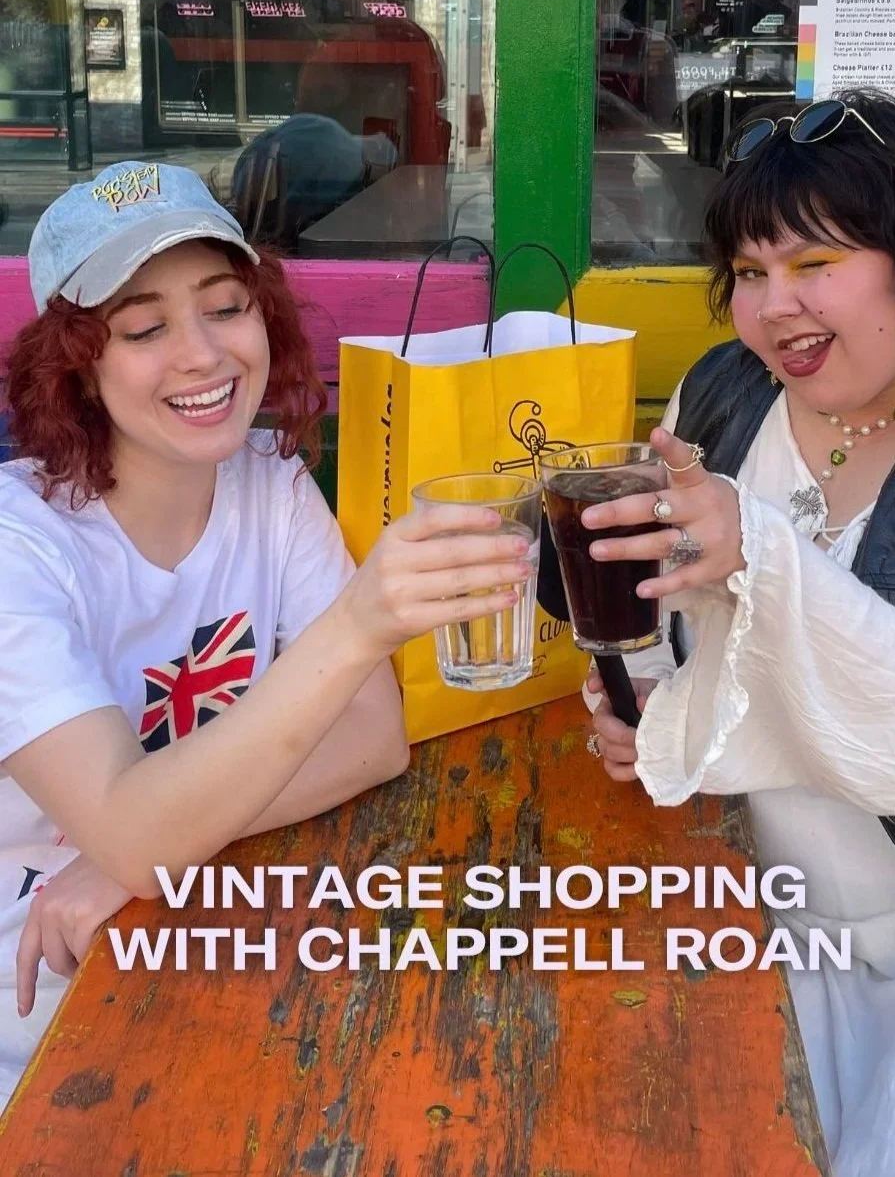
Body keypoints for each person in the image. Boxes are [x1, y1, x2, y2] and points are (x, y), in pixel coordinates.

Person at [0, 160, 532, 1110]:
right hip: (40, 996)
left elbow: (373, 742)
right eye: (144, 328)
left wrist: (136, 856)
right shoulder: (19, 551)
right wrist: (361, 624)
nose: (202, 355)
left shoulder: (268, 482)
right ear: (77, 362)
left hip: (212, 923)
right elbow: (136, 830)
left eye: (225, 306)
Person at [582, 91, 895, 1175]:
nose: (771, 307)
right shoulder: (724, 394)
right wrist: (650, 709)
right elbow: (663, 618)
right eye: (749, 273)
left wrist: (755, 545)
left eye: (813, 263)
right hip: (750, 922)